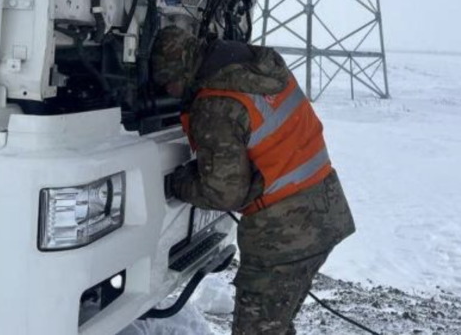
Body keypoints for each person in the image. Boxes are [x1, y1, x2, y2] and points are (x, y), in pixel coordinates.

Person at [151, 26, 355, 335]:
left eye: (169, 84)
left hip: (284, 235)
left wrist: (177, 182)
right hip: (325, 211)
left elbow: (223, 193)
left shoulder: (216, 105)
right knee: (275, 326)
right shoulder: (258, 71)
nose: (170, 93)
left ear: (181, 73)